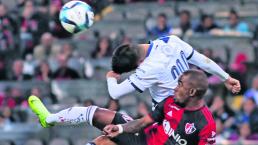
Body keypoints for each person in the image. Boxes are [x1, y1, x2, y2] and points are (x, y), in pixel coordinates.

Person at [28, 70, 215, 145]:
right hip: (144, 137)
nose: (176, 87)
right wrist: (119, 128)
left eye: (180, 84)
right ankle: (48, 119)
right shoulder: (171, 101)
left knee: (104, 142)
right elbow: (144, 122)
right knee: (95, 115)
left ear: (192, 92)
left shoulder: (205, 125)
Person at [106, 35, 240, 110]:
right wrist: (226, 78)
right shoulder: (171, 40)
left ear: (139, 63)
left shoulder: (147, 69)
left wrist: (110, 77)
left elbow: (115, 93)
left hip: (168, 117)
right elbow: (202, 60)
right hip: (193, 108)